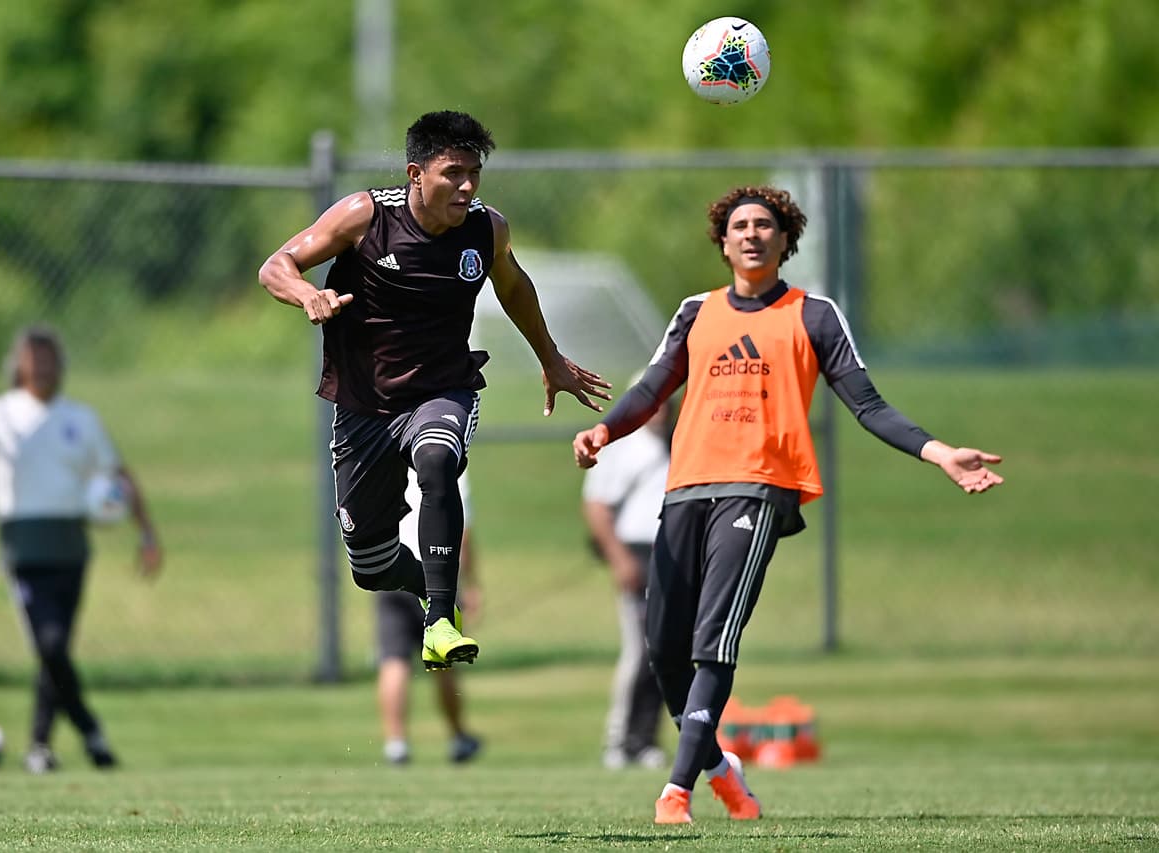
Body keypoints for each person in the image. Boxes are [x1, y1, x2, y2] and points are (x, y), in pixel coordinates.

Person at [572, 186, 1004, 824]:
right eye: (739, 225)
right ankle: (719, 767)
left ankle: (677, 790)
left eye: (764, 225)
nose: (751, 234)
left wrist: (939, 452)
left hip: (759, 487)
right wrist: (606, 430)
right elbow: (652, 385)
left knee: (713, 638)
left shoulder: (815, 314)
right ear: (723, 242)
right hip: (687, 487)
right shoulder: (696, 312)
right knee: (662, 645)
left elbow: (869, 405)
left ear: (784, 240)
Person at [259, 110, 609, 670]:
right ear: (416, 173)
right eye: (453, 173)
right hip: (363, 406)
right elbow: (276, 265)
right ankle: (430, 591)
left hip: (442, 389)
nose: (466, 186)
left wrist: (551, 359)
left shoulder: (487, 229)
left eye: (474, 173)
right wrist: (306, 295)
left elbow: (514, 286)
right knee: (370, 566)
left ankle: (442, 619)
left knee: (438, 457)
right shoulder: (364, 215)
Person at [0, 326, 162, 774]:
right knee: (50, 645)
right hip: (23, 546)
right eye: (34, 357)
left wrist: (147, 533)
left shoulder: (81, 419)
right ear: (18, 364)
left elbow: (118, 475)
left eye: (50, 357)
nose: (42, 365)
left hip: (70, 546)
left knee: (52, 650)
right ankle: (91, 733)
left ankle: (39, 747)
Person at [581, 377, 671, 770]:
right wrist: (619, 560)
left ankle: (645, 739)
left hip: (670, 554)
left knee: (665, 650)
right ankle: (619, 739)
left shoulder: (677, 442)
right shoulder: (624, 447)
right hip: (636, 552)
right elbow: (597, 506)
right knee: (640, 650)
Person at [376, 468, 483, 766]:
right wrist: (472, 582)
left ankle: (396, 743)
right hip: (435, 575)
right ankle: (458, 736)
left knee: (393, 659)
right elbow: (463, 527)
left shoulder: (391, 453)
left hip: (393, 567)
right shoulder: (444, 453)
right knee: (443, 659)